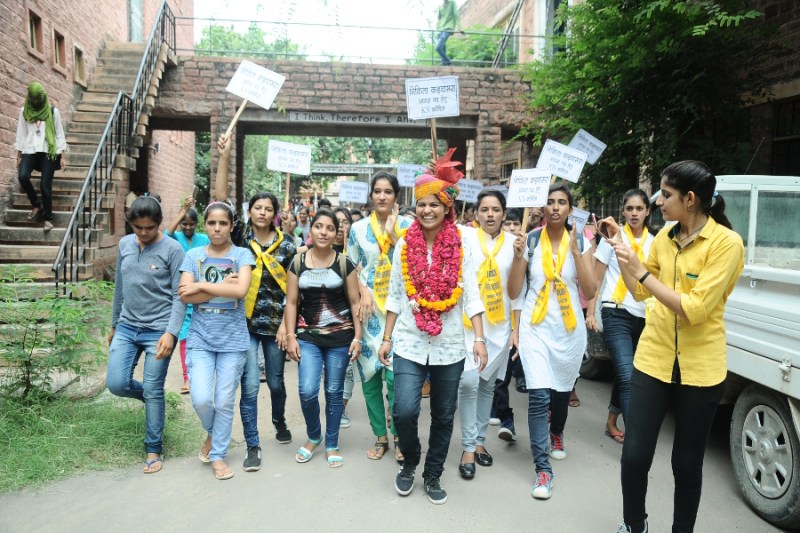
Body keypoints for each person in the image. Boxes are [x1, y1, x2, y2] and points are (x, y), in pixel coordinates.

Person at [611, 161, 744, 533]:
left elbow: (695, 309)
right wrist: (624, 256)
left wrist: (640, 271)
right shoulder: (664, 238)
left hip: (701, 369)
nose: (657, 201)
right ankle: (634, 524)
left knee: (686, 464)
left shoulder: (726, 243)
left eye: (665, 194)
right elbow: (640, 292)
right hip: (653, 359)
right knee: (634, 457)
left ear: (689, 199)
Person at [379, 149, 487, 505]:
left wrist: (480, 338)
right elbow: (396, 294)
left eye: (434, 204)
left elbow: (472, 293)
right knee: (404, 410)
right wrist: (386, 337)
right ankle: (410, 460)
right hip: (409, 340)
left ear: (446, 208)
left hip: (450, 343)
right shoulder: (403, 245)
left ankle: (433, 472)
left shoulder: (463, 243)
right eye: (422, 204)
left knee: (442, 414)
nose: (427, 210)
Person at [507, 183, 597, 500]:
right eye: (550, 202)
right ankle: (542, 469)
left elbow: (590, 289)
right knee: (538, 395)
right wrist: (518, 257)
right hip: (536, 328)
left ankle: (556, 431)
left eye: (561, 202)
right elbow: (514, 290)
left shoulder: (581, 241)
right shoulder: (530, 240)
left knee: (561, 392)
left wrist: (575, 252)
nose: (555, 207)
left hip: (569, 330)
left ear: (570, 209)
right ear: (543, 208)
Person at [107, 195, 186, 474]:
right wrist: (114, 324)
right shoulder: (125, 244)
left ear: (159, 223)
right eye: (138, 227)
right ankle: (153, 399)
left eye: (149, 228)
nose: (143, 233)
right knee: (116, 384)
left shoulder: (173, 249)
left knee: (153, 388)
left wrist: (171, 333)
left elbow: (179, 296)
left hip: (158, 331)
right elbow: (120, 287)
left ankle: (154, 448)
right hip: (127, 327)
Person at [179, 201, 254, 481]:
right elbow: (185, 296)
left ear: (232, 226)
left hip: (233, 340)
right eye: (212, 223)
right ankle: (214, 432)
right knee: (200, 398)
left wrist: (200, 285)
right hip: (200, 338)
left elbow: (241, 290)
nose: (217, 228)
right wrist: (221, 287)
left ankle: (218, 454)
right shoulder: (193, 256)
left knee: (223, 401)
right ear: (205, 225)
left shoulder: (242, 255)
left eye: (223, 223)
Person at [283, 210, 363, 468]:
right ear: (312, 229)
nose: (324, 232)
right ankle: (314, 435)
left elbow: (355, 302)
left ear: (336, 232)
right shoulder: (297, 262)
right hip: (308, 337)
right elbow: (291, 302)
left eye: (330, 228)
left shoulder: (344, 263)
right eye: (319, 226)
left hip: (341, 338)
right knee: (307, 390)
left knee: (333, 391)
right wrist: (290, 335)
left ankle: (331, 443)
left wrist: (358, 337)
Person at [457, 190, 522, 480]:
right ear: (476, 213)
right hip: (468, 324)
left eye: (496, 209)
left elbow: (517, 292)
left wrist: (516, 330)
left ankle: (479, 441)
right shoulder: (465, 236)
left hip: (499, 327)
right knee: (468, 382)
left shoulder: (515, 243)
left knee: (486, 386)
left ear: (504, 214)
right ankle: (467, 447)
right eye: (484, 209)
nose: (490, 214)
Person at [347, 172, 412, 462]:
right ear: (371, 195)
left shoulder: (408, 226)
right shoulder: (358, 229)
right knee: (370, 380)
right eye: (377, 191)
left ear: (396, 196)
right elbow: (351, 268)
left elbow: (414, 263)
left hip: (400, 312)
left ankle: (399, 435)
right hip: (368, 311)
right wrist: (362, 289)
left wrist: (396, 237)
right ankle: (380, 436)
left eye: (388, 191)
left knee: (396, 378)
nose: (382, 196)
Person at [586, 190, 655, 445]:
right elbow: (596, 278)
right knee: (627, 375)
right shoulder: (612, 239)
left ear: (647, 211)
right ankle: (636, 441)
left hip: (644, 315)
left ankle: (611, 421)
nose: (634, 213)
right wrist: (591, 312)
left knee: (628, 373)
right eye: (629, 209)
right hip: (615, 311)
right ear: (623, 211)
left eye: (639, 208)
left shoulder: (656, 243)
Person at [239, 192, 297, 472]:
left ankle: (279, 420)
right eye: (257, 208)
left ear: (275, 214)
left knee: (275, 382)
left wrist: (287, 326)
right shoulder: (239, 241)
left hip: (276, 325)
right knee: (250, 385)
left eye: (268, 209)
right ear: (249, 211)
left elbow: (294, 290)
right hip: (244, 325)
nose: (262, 212)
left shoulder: (287, 245)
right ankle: (252, 444)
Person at [165, 196, 210, 394]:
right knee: (184, 337)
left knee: (201, 337)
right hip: (182, 293)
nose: (188, 227)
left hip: (202, 293)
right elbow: (167, 232)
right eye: (185, 223)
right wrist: (183, 210)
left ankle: (201, 374)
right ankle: (187, 378)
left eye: (192, 224)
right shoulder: (176, 238)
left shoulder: (204, 239)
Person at [15, 81, 68, 233]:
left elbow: (59, 134)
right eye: (34, 99)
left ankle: (48, 219)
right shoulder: (24, 111)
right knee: (23, 176)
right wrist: (18, 154)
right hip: (30, 149)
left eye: (39, 98)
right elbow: (21, 133)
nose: (37, 101)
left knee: (45, 185)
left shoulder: (52, 111)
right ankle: (36, 203)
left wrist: (62, 155)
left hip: (48, 151)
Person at [435, 0, 460, 66]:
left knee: (438, 48)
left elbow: (456, 15)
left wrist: (460, 28)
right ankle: (445, 65)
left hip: (448, 28)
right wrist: (436, 27)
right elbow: (439, 17)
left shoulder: (452, 2)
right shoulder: (440, 6)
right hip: (440, 29)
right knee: (443, 47)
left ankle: (449, 62)